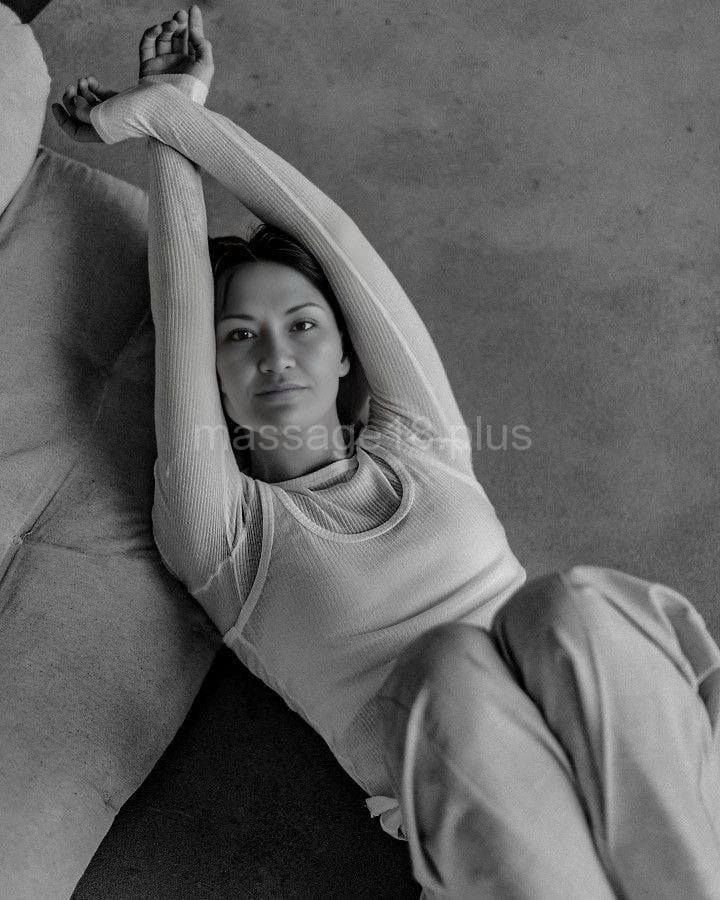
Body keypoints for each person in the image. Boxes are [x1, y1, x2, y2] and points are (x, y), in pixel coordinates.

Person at [52, 8, 720, 897]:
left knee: (572, 605)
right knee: (450, 670)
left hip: (618, 734)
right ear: (211, 376)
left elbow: (334, 239)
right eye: (239, 336)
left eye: (304, 324)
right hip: (486, 791)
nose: (275, 353)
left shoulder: (422, 442)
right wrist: (162, 128)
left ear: (345, 353)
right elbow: (179, 308)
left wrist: (178, 114)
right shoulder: (223, 533)